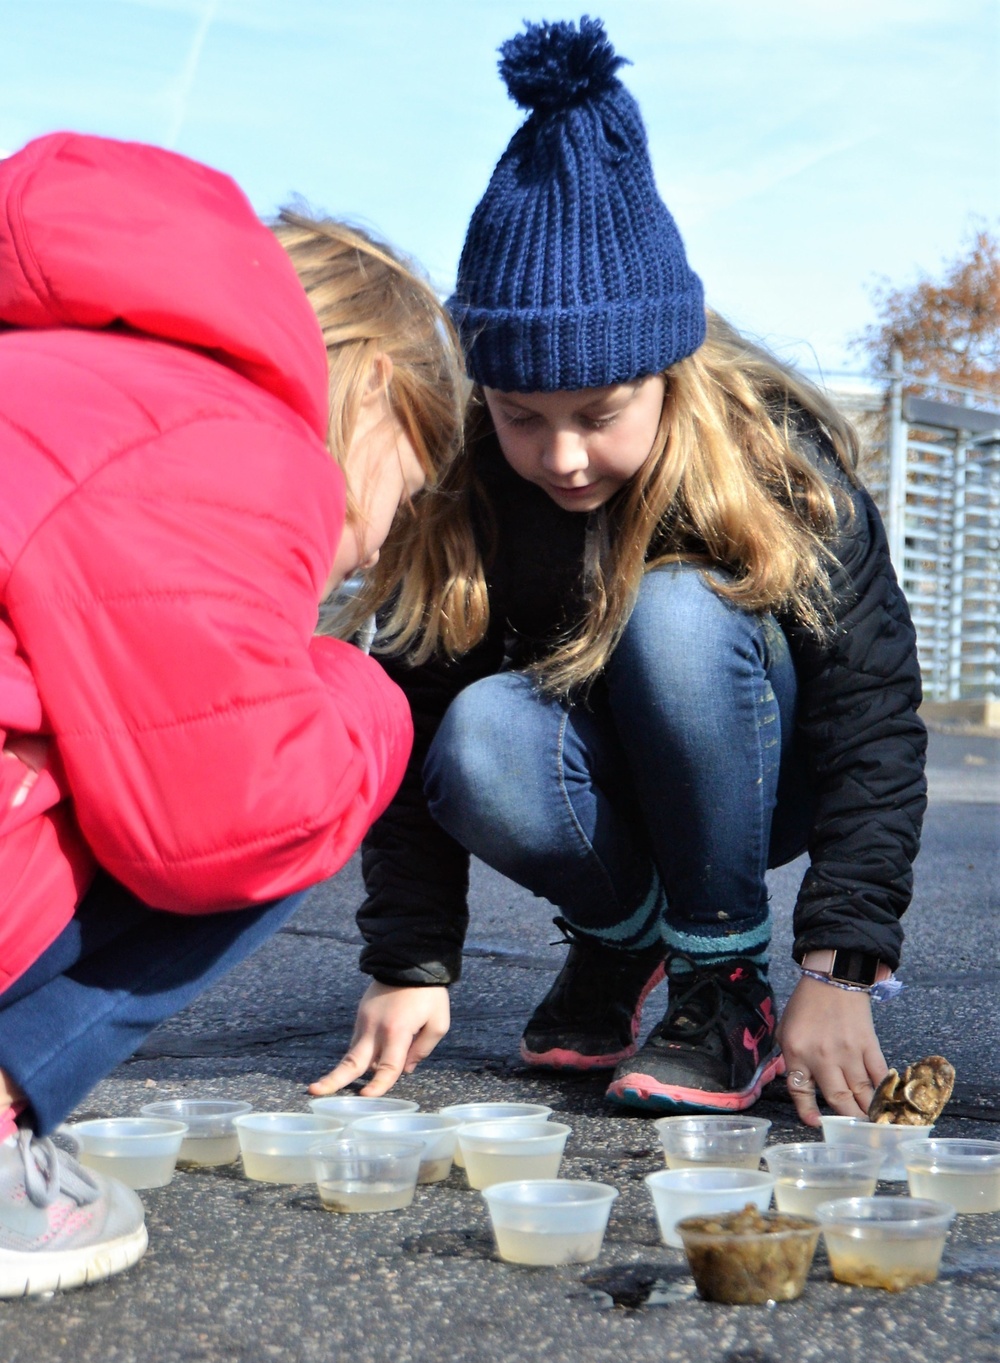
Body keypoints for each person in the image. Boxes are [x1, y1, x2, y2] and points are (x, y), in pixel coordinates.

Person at [314, 17, 927, 1129]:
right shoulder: (468, 486)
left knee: (679, 610)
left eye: (600, 415)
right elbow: (401, 737)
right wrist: (410, 960)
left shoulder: (771, 455)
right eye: (520, 417)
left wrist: (838, 974)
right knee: (479, 730)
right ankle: (626, 937)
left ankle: (721, 981)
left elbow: (870, 716)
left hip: (753, 775)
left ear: (669, 371)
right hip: (593, 781)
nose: (560, 456)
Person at [0, 131, 464, 1296]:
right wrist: (361, 694)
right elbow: (237, 818)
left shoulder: (55, 377)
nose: (374, 542)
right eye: (401, 496)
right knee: (300, 759)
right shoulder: (226, 439)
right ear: (372, 386)